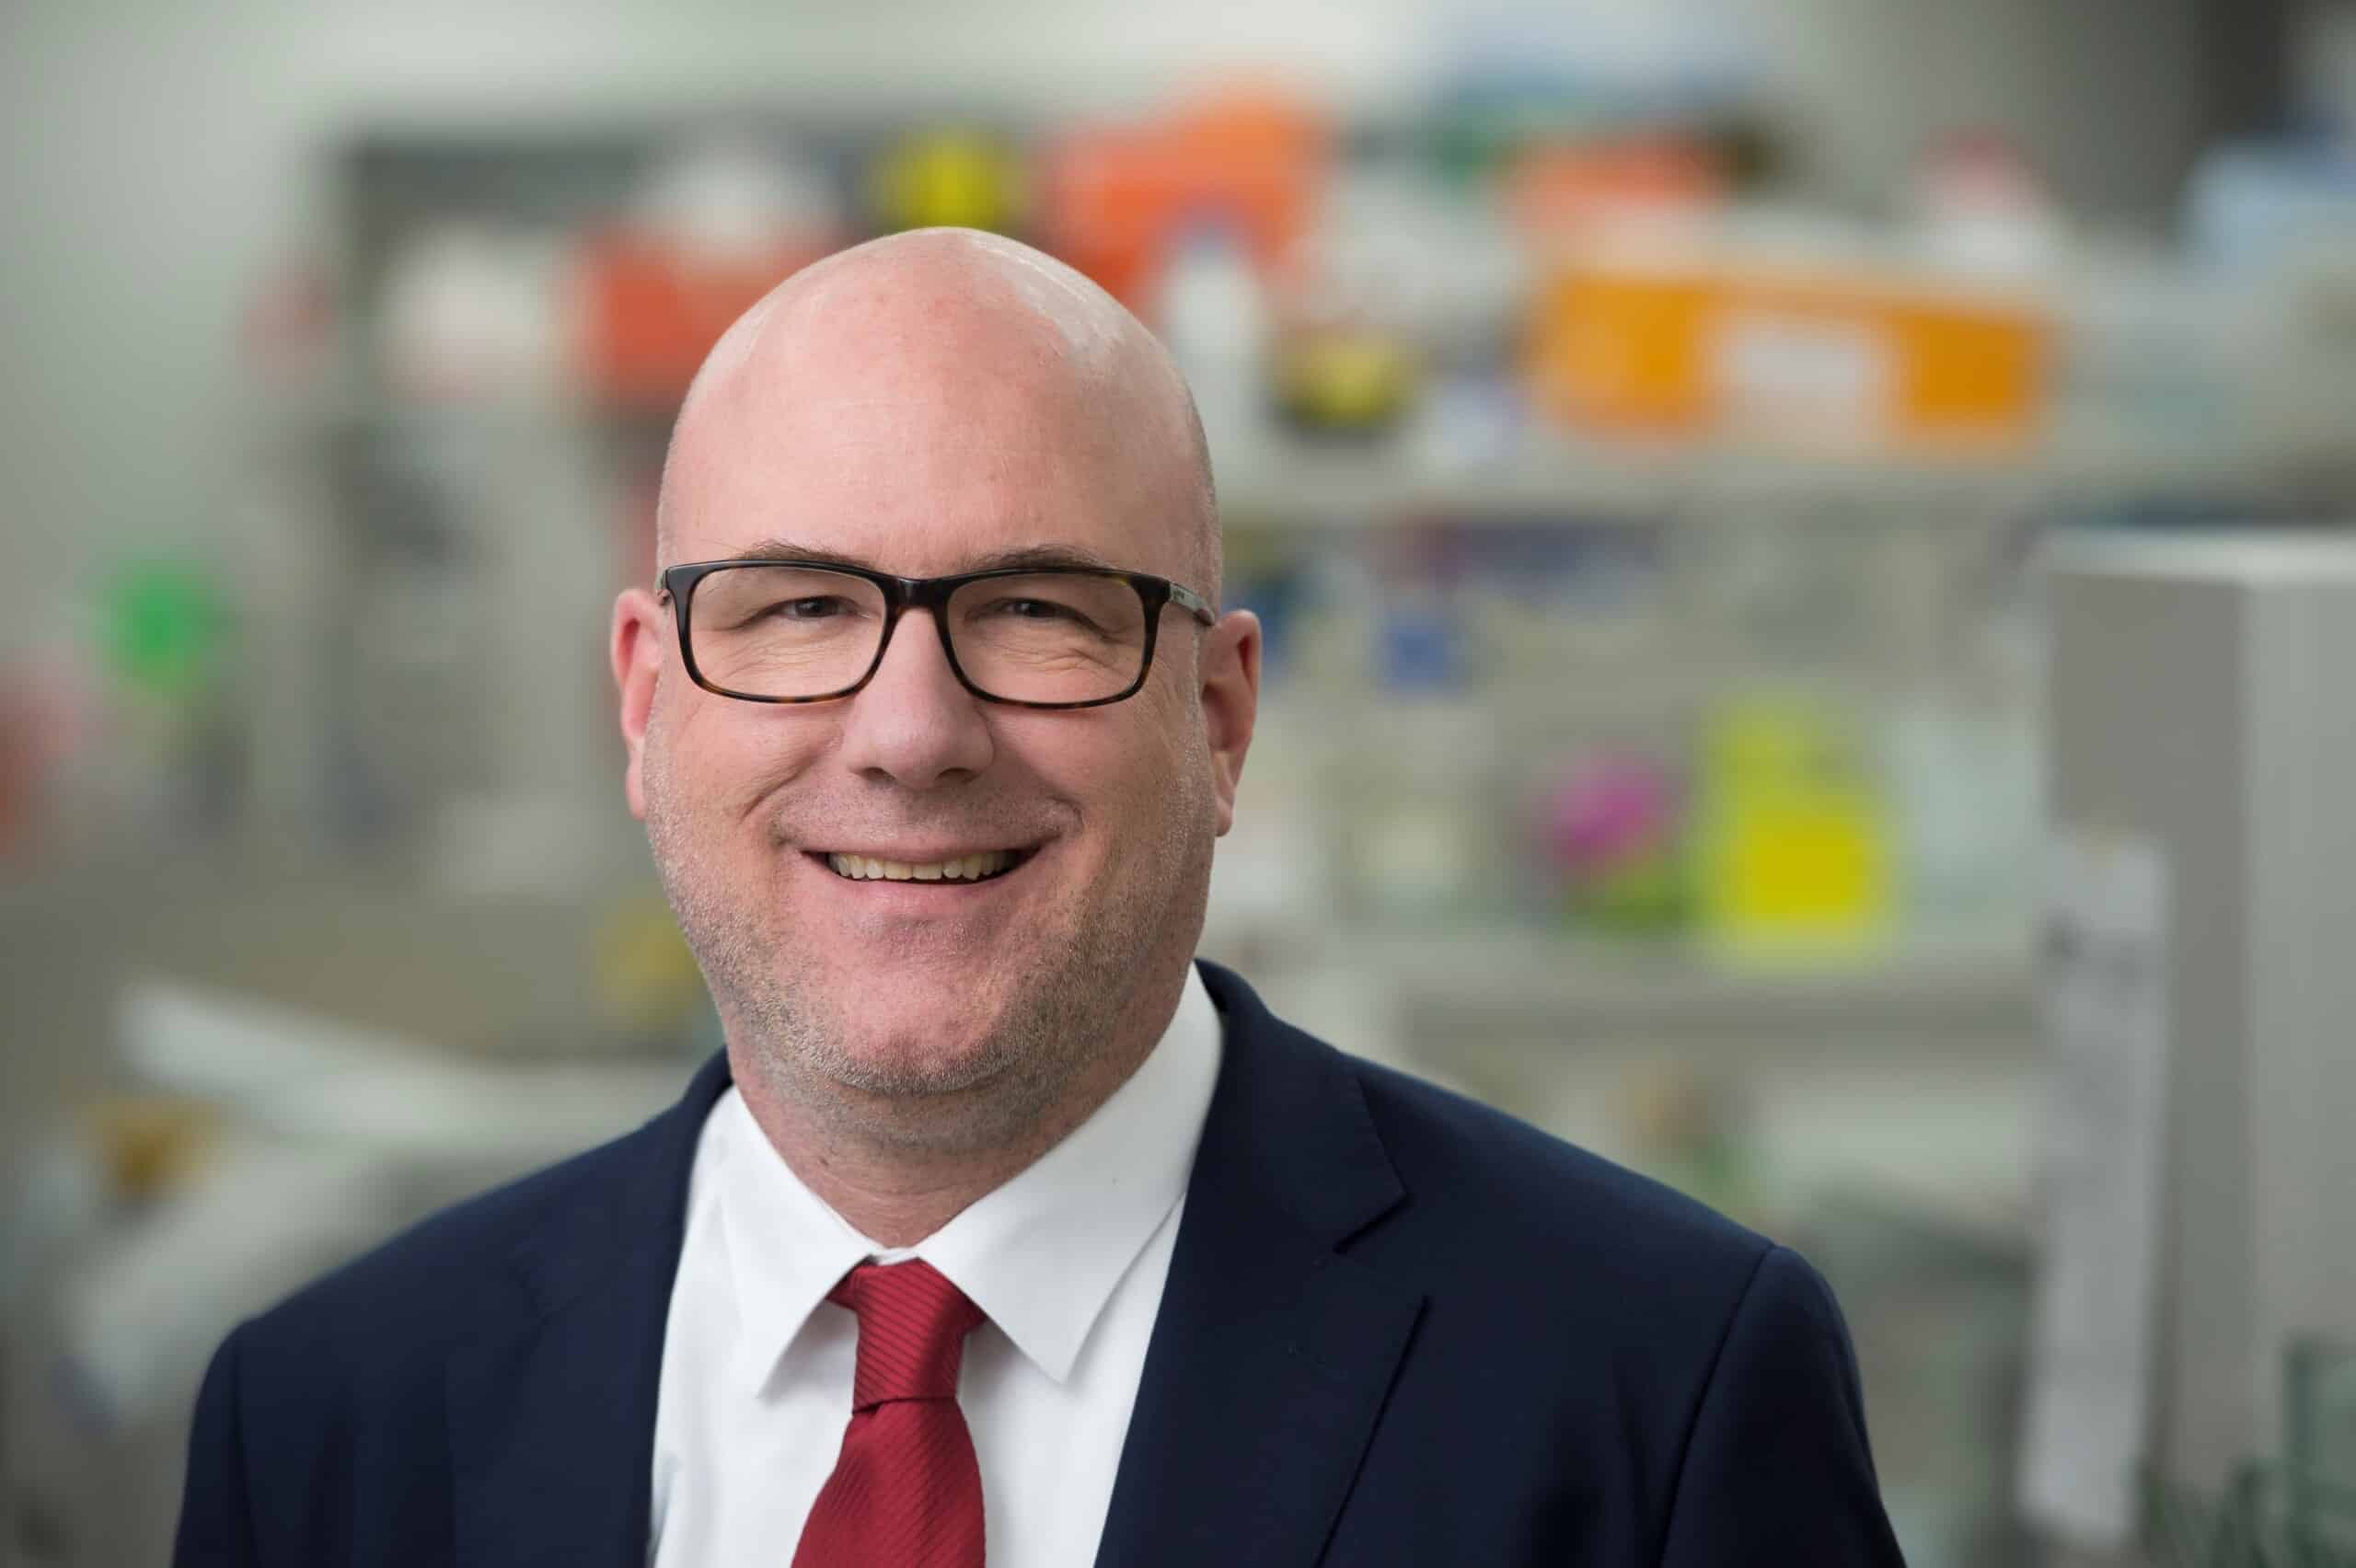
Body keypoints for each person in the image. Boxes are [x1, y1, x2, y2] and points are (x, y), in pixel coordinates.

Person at [174, 228, 1905, 1567]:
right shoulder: (331, 1419)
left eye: (1040, 612)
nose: (911, 734)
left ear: (1219, 720)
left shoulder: (1651, 1388)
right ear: (645, 703)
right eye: (793, 612)